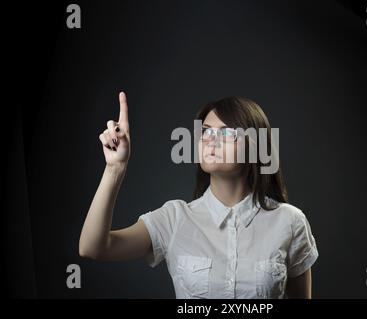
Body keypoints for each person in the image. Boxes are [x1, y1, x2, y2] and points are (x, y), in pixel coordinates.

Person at [79, 92, 319, 298]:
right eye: (206, 132)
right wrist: (115, 168)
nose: (211, 141)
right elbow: (93, 247)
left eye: (227, 133)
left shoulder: (290, 221)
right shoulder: (174, 218)